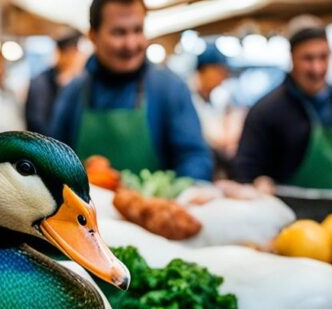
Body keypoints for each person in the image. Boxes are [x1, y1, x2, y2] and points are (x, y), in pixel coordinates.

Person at [49, 0, 211, 180]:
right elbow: (53, 162)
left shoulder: (169, 88)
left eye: (138, 30)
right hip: (85, 208)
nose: (131, 44)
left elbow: (194, 156)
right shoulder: (73, 93)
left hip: (155, 205)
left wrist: (189, 188)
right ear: (93, 36)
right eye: (119, 32)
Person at [232, 17, 332, 190]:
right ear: (292, 57)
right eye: (308, 59)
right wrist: (259, 183)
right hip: (295, 215)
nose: (317, 68)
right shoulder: (266, 112)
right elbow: (244, 174)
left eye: (323, 57)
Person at [24, 31, 84, 135]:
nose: (77, 58)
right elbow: (37, 124)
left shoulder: (74, 81)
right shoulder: (40, 83)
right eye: (75, 53)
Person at [192, 45, 233, 173]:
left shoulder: (216, 99)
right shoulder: (186, 99)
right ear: (204, 70)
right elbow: (216, 139)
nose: (223, 77)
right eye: (219, 72)